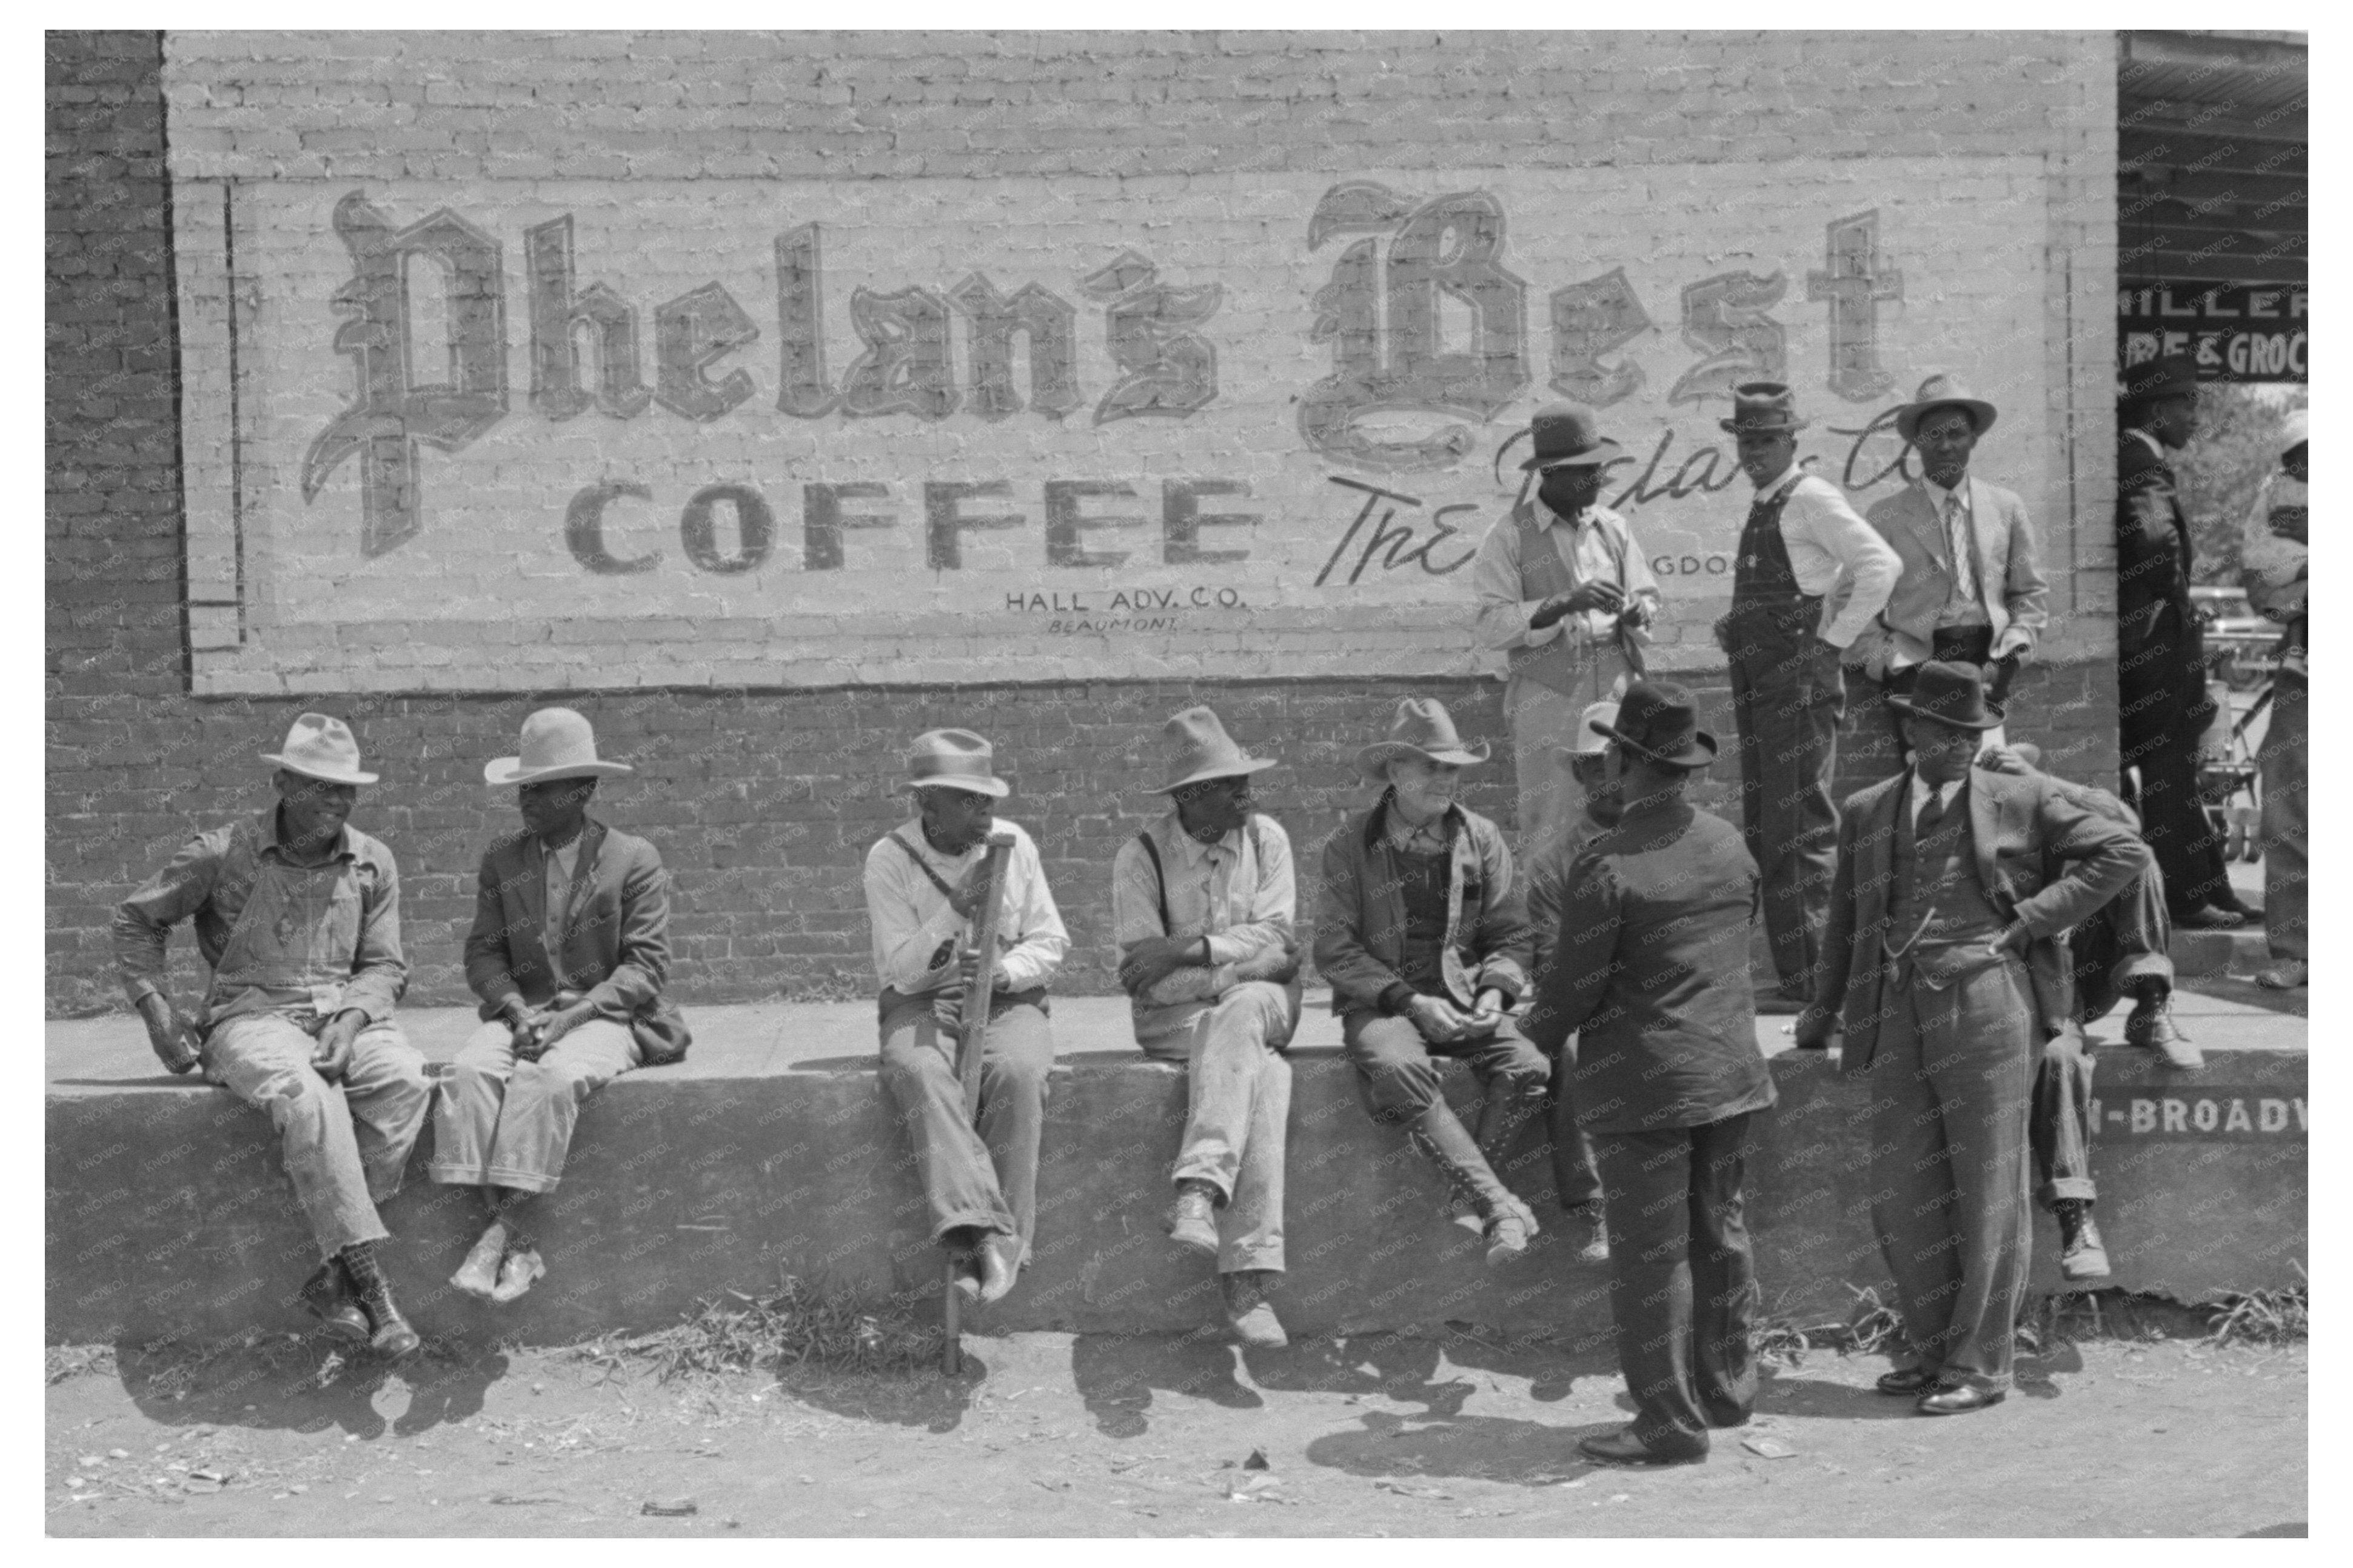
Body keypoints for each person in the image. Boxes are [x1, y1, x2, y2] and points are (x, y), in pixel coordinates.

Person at [1797, 664, 2142, 1414]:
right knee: (1902, 1189)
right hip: (1895, 1004)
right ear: (1910, 731)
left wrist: (2026, 922)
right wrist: (1818, 1016)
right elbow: (1845, 924)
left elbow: (2123, 852)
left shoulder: (2018, 795)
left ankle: (1980, 1365)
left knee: (1988, 1188)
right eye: (1946, 732)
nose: (1962, 745)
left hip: (1988, 999)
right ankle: (1928, 1350)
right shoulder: (1867, 808)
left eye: (1972, 733)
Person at [113, 713, 429, 1358]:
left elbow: (385, 964)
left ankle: (333, 1276)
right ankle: (372, 1291)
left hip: (342, 1017)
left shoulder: (372, 861)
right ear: (283, 782)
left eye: (347, 790)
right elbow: (135, 921)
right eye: (321, 786)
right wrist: (157, 1012)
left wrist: (351, 1018)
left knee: (404, 1081)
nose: (337, 801)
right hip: (250, 1017)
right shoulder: (221, 853)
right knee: (310, 1097)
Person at [1522, 681, 1775, 1465]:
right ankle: (1726, 1390)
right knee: (1720, 1228)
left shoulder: (1605, 865)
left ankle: (1665, 1422)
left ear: (1626, 762)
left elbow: (1570, 986)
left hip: (1644, 1086)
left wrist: (1528, 1037)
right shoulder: (1729, 842)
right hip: (1729, 1075)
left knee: (1650, 1252)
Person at [431, 708, 686, 1304]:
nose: (528, 801)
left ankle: (497, 1238)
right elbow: (483, 955)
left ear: (585, 790)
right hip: (529, 1011)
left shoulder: (632, 859)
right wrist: (517, 1009)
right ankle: (520, 1246)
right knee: (468, 1074)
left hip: (604, 1015)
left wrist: (569, 1018)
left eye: (543, 788)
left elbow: (645, 968)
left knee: (547, 1076)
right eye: (524, 787)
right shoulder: (503, 860)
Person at [1314, 698, 1548, 1266]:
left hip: (1465, 998)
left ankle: (1469, 1199)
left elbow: (1513, 935)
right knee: (1395, 1067)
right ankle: (1497, 1202)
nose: (1446, 778)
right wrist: (1409, 1000)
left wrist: (1495, 994)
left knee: (1530, 1067)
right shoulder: (1348, 846)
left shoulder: (1482, 837)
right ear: (1395, 772)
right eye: (1431, 765)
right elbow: (1333, 947)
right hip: (1386, 1004)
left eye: (1453, 767)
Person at [1112, 707, 1302, 1348]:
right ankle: (1246, 1281)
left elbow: (1279, 938)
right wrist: (1244, 967)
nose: (1248, 790)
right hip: (1179, 1020)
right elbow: (1148, 980)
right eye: (1231, 782)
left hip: (1263, 1006)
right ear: (1192, 796)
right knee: (1265, 1075)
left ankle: (1198, 1188)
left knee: (1245, 1012)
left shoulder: (1267, 839)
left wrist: (1187, 951)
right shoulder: (1138, 857)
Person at [863, 729, 1068, 1305]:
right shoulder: (889, 859)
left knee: (1020, 1074)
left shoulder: (1014, 843)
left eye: (988, 800)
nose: (984, 813)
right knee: (920, 1071)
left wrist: (1001, 973)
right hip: (923, 1001)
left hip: (1005, 998)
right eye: (966, 800)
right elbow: (902, 972)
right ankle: (986, 1233)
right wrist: (955, 911)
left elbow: (1050, 942)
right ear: (926, 802)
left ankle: (991, 1244)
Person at [1715, 381, 1901, 1010]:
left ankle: (1819, 979)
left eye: (1765, 439)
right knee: (1769, 825)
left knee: (1800, 828)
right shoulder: (1766, 502)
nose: (1753, 452)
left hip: (1796, 682)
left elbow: (1881, 565)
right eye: (1745, 440)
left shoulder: (1810, 496)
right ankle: (1797, 974)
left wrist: (1834, 642)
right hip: (1762, 682)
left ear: (1791, 440)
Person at [1978, 739, 2192, 1283]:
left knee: (2136, 859)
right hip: (2022, 991)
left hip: (2079, 975)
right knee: (2059, 1060)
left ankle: (2150, 1000)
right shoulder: (1968, 827)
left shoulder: (2055, 816)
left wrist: (2039, 779)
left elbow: (2123, 821)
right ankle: (2077, 1222)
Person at [1472, 404, 1662, 865]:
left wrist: (1638, 610)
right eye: (1586, 471)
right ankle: (1548, 930)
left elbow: (1649, 599)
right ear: (1550, 474)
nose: (1598, 480)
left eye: (1599, 469)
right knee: (1551, 815)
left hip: (1618, 678)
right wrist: (1563, 603)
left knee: (1625, 804)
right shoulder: (1509, 536)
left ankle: (1622, 920)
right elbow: (1491, 626)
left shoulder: (1612, 527)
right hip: (1548, 690)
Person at [2116, 353, 2251, 929]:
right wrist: (2176, 601)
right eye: (2187, 403)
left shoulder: (2138, 457)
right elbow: (2151, 538)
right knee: (2169, 776)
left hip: (2152, 649)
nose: (2196, 417)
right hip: (2154, 652)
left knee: (2176, 775)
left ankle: (2208, 889)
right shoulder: (2138, 461)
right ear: (2155, 409)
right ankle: (2186, 899)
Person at [1853, 374, 2049, 752]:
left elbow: (2030, 591)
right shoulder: (1886, 516)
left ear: (1973, 439)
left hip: (1986, 659)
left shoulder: (2005, 507)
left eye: (1956, 434)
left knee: (1985, 772)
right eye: (1932, 435)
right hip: (1916, 663)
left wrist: (2013, 649)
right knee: (1926, 773)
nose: (1945, 446)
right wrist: (1891, 660)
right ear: (1916, 442)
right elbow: (1854, 601)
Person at [1518, 699, 1625, 1263]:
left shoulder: (1671, 840)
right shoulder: (1556, 862)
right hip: (1594, 1001)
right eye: (1595, 764)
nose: (1609, 777)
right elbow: (1557, 962)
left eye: (1620, 762)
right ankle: (1598, 1205)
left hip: (1667, 995)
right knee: (1565, 1043)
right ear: (1580, 774)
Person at [2242, 412, 2308, 988]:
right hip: (2304, 679)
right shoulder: (2276, 506)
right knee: (2287, 812)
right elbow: (2262, 590)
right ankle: (2296, 949)